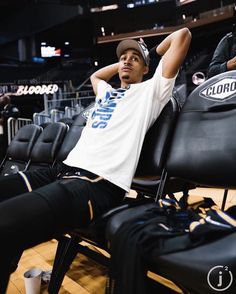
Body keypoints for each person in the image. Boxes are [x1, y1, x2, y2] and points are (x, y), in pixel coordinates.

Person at [0, 27, 191, 292]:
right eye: (123, 56)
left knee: (5, 222)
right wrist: (125, 60)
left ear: (146, 69)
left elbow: (182, 35)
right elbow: (96, 75)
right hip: (62, 172)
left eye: (134, 59)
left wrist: (152, 53)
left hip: (97, 182)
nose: (126, 60)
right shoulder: (107, 93)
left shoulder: (152, 92)